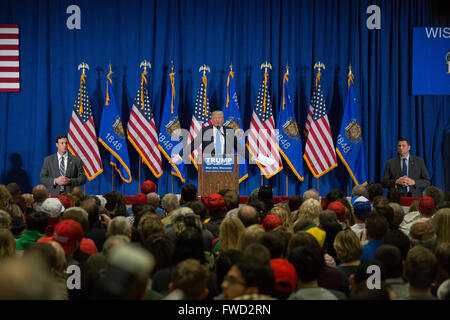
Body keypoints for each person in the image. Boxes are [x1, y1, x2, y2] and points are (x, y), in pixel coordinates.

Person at [171, 110, 249, 163]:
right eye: (215, 118)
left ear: (223, 120)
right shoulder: (205, 131)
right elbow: (193, 145)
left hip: (226, 164)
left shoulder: (229, 131)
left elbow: (239, 148)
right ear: (211, 120)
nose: (218, 120)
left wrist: (251, 157)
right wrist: (180, 156)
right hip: (209, 164)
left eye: (220, 118)